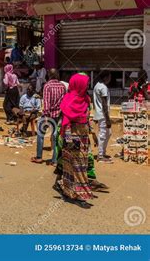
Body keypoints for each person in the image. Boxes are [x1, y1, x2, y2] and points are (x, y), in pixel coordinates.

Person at [56, 73, 94, 208]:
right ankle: (77, 192)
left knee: (80, 166)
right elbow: (65, 122)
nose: (88, 85)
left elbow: (88, 118)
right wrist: (69, 140)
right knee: (72, 167)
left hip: (83, 139)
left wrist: (92, 133)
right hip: (71, 139)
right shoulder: (68, 100)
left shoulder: (86, 99)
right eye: (86, 83)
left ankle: (73, 191)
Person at [31, 69, 66, 165]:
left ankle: (39, 157)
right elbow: (64, 101)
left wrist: (46, 114)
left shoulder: (47, 85)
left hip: (48, 115)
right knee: (55, 137)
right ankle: (54, 160)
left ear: (49, 75)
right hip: (58, 115)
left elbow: (46, 101)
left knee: (40, 135)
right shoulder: (62, 86)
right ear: (57, 75)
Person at [93, 70, 112, 163]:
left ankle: (103, 152)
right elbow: (104, 104)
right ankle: (100, 155)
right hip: (103, 114)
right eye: (109, 77)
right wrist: (107, 118)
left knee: (108, 133)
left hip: (99, 113)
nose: (110, 79)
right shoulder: (103, 87)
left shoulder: (97, 85)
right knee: (103, 134)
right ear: (105, 77)